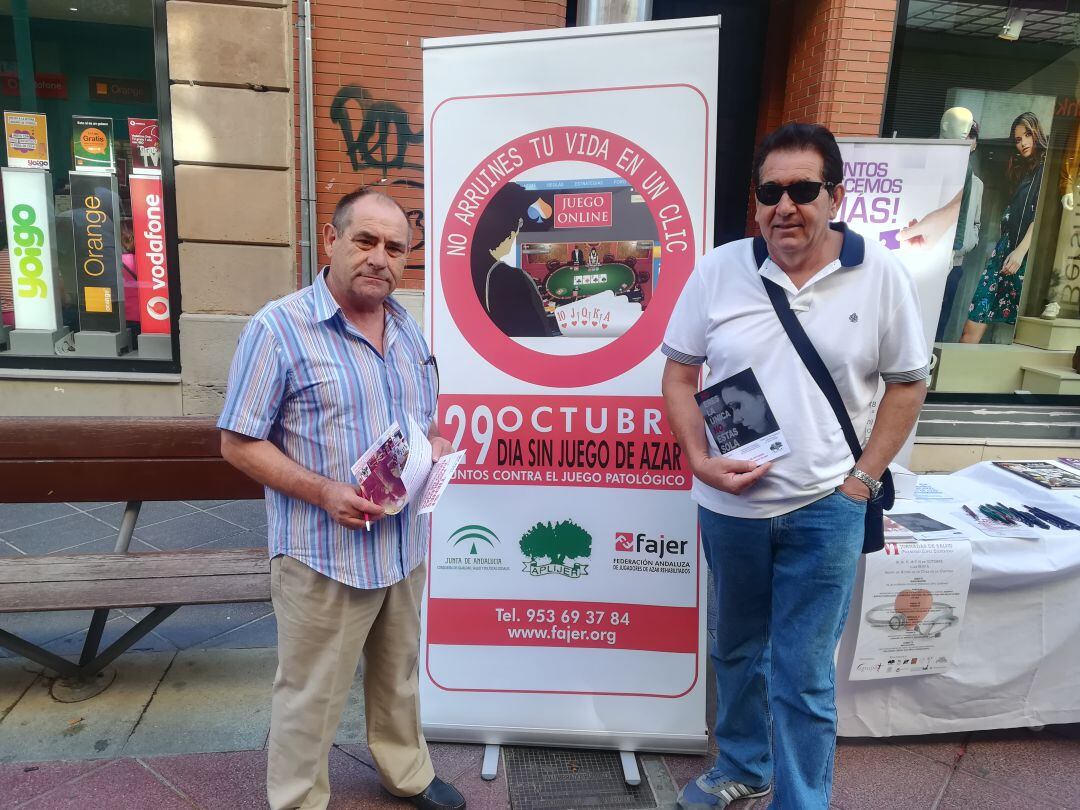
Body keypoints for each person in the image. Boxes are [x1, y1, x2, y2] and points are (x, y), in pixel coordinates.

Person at [662, 123, 928, 809]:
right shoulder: (719, 269)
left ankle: (802, 800)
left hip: (824, 510)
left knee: (804, 674)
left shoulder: (881, 274)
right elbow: (679, 372)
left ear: (835, 195)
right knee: (735, 651)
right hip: (731, 511)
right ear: (754, 202)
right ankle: (742, 766)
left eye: (803, 190)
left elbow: (908, 382)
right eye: (770, 191)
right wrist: (698, 459)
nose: (785, 206)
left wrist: (860, 483)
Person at [218, 188, 465, 810]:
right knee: (311, 691)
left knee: (399, 678)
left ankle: (405, 771)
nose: (380, 258)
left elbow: (421, 421)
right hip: (323, 552)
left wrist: (434, 445)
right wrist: (324, 490)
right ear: (330, 240)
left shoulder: (407, 329)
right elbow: (238, 443)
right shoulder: (278, 328)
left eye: (396, 247)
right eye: (365, 240)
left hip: (402, 546)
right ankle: (298, 798)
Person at [961, 112, 1046, 343]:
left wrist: (1020, 252)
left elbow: (1040, 215)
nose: (1023, 143)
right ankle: (955, 372)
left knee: (1018, 331)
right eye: (1018, 140)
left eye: (1028, 135)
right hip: (1005, 251)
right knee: (976, 316)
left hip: (1024, 255)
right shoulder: (1022, 170)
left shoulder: (1045, 169)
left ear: (1037, 133)